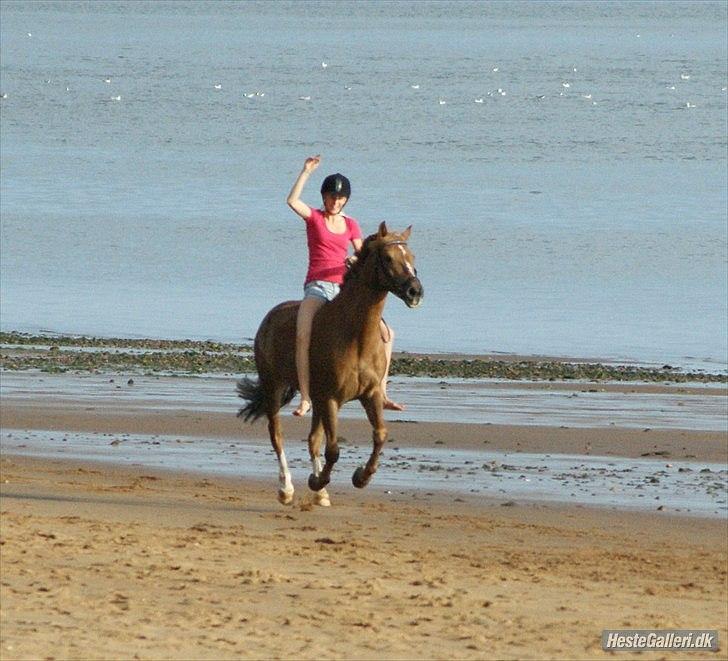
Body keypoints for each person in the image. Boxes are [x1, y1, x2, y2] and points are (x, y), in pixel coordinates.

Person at [286, 155, 404, 417]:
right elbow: (292, 201)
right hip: (317, 287)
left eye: (339, 198)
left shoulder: (351, 224)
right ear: (324, 197)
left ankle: (382, 392)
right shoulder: (315, 218)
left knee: (388, 334)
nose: (335, 202)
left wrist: (354, 259)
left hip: (343, 289)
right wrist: (305, 172)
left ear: (345, 200)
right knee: (303, 334)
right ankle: (305, 398)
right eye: (330, 197)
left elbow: (362, 255)